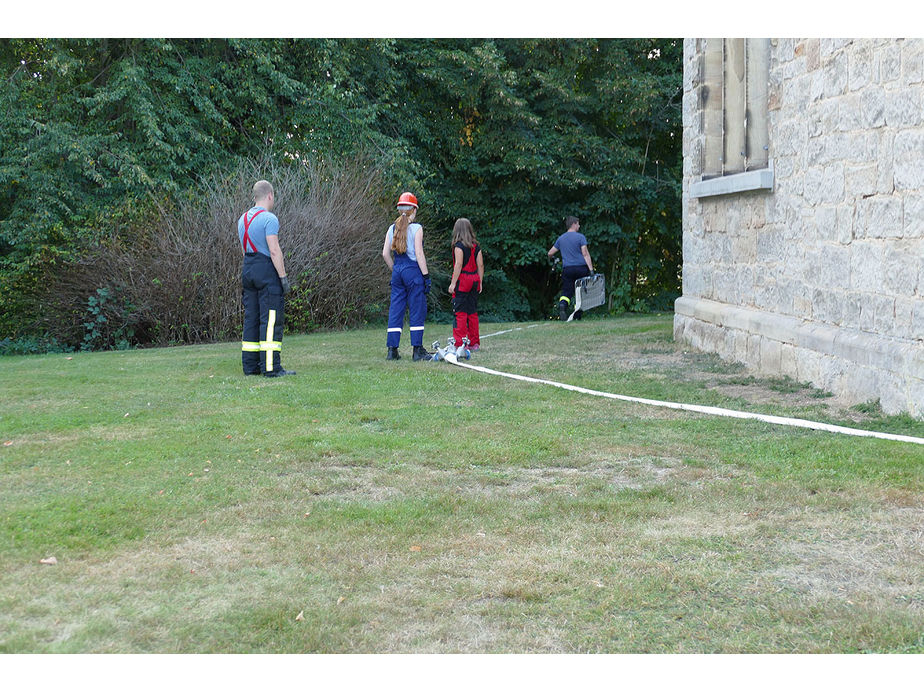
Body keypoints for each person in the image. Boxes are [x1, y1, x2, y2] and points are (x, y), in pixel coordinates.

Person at [238, 180, 295, 377]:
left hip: (248, 269)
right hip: (266, 271)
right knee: (271, 319)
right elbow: (274, 249)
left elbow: (244, 251)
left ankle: (250, 366)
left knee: (251, 318)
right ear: (270, 195)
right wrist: (283, 277)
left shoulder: (242, 219)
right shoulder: (270, 219)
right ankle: (271, 368)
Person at [382, 192, 432, 361]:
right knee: (417, 309)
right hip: (413, 272)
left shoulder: (391, 228)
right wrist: (425, 276)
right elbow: (419, 253)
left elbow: (385, 254)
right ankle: (417, 350)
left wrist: (395, 270)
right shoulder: (417, 228)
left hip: (397, 271)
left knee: (396, 310)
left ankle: (392, 350)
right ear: (414, 210)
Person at [447, 218, 483, 350]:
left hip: (463, 280)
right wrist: (480, 281)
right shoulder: (476, 246)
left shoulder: (459, 246)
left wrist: (453, 283)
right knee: (472, 312)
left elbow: (459, 264)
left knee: (460, 312)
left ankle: (460, 343)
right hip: (474, 279)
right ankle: (474, 343)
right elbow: (480, 264)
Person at [548, 215, 594, 321]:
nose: (579, 225)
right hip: (581, 268)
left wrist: (553, 258)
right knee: (581, 292)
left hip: (567, 269)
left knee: (567, 291)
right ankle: (577, 315)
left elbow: (550, 253)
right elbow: (585, 254)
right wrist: (591, 270)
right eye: (578, 223)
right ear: (573, 224)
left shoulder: (561, 238)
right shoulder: (580, 237)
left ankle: (563, 305)